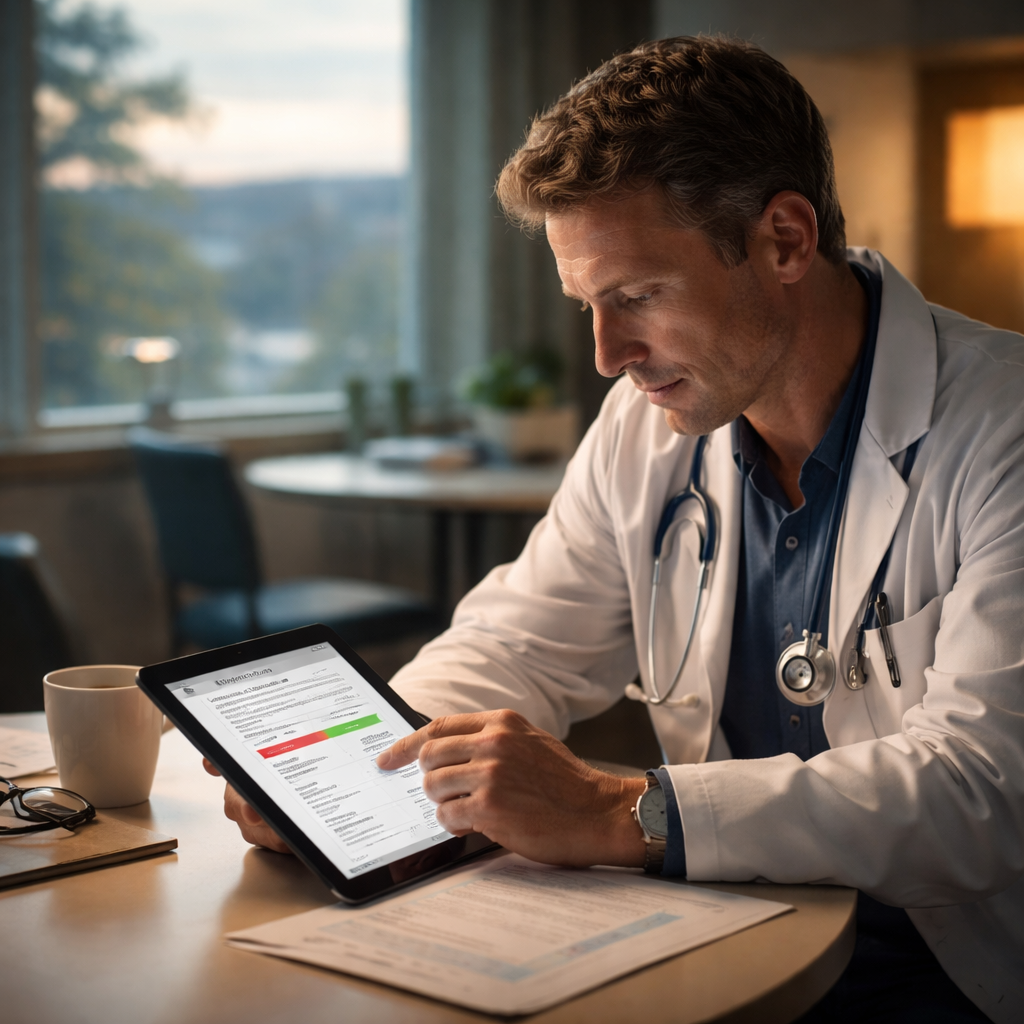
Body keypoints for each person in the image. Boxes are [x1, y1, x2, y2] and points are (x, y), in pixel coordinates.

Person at [210, 37, 1023, 1022]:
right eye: (588, 304)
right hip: (729, 936)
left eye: (637, 295)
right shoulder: (654, 421)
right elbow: (521, 640)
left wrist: (619, 807)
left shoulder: (1001, 427)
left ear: (783, 239)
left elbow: (984, 792)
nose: (606, 355)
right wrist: (366, 786)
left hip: (949, 975)